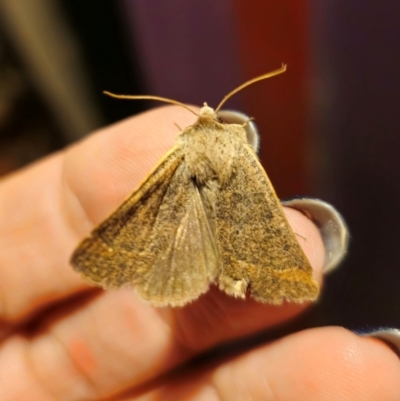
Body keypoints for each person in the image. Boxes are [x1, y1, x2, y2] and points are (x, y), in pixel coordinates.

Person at [0, 105, 399, 400]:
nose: (207, 112)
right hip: (233, 197)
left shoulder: (180, 149)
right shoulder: (233, 146)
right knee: (272, 240)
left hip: (184, 209)